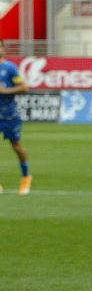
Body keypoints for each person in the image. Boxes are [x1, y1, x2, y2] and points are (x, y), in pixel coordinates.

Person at [0, 41, 30, 194]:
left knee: (16, 146)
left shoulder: (10, 68)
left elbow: (24, 87)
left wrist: (5, 91)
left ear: (3, 49)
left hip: (9, 114)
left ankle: (26, 176)